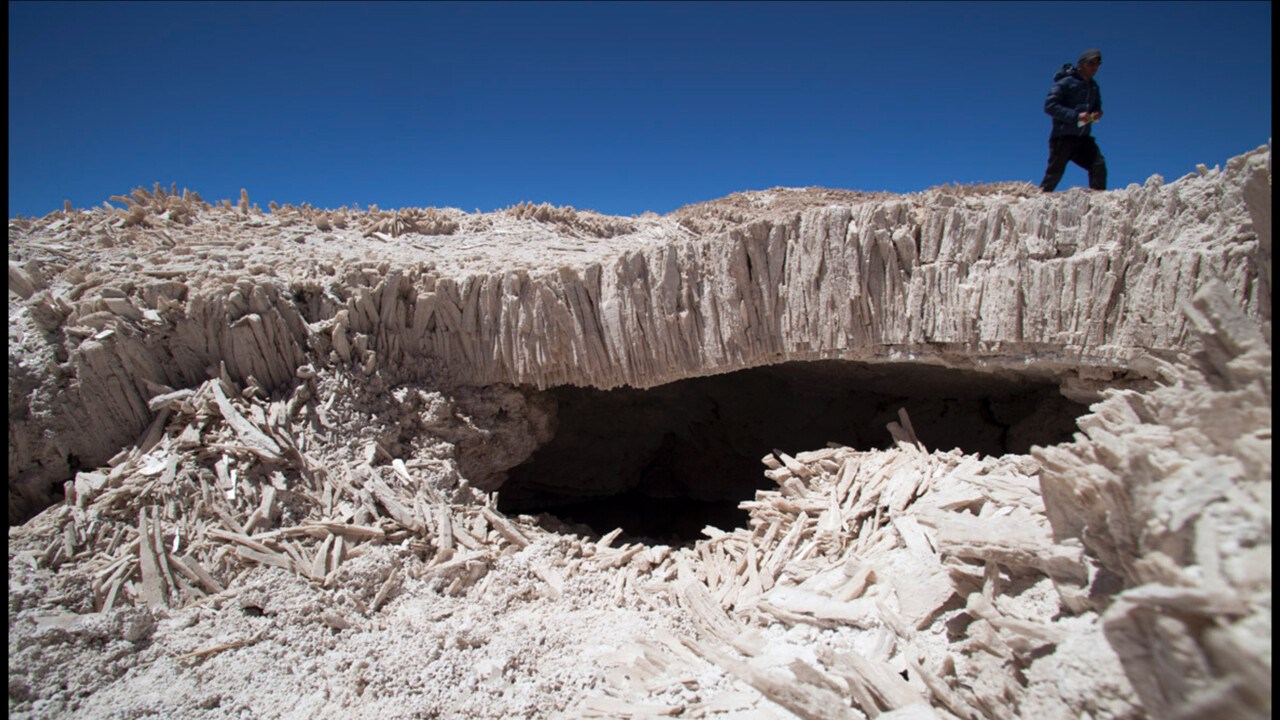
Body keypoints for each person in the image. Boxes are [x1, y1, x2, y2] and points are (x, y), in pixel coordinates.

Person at [1039, 48, 1106, 192]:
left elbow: (1097, 106)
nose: (1095, 67)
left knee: (1098, 165)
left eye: (1097, 64)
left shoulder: (1093, 87)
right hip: (1063, 137)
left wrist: (1097, 114)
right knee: (1054, 174)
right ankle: (1038, 204)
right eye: (1091, 63)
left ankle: (1098, 204)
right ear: (1081, 64)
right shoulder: (1065, 83)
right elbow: (1050, 106)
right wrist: (1076, 116)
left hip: (1083, 137)